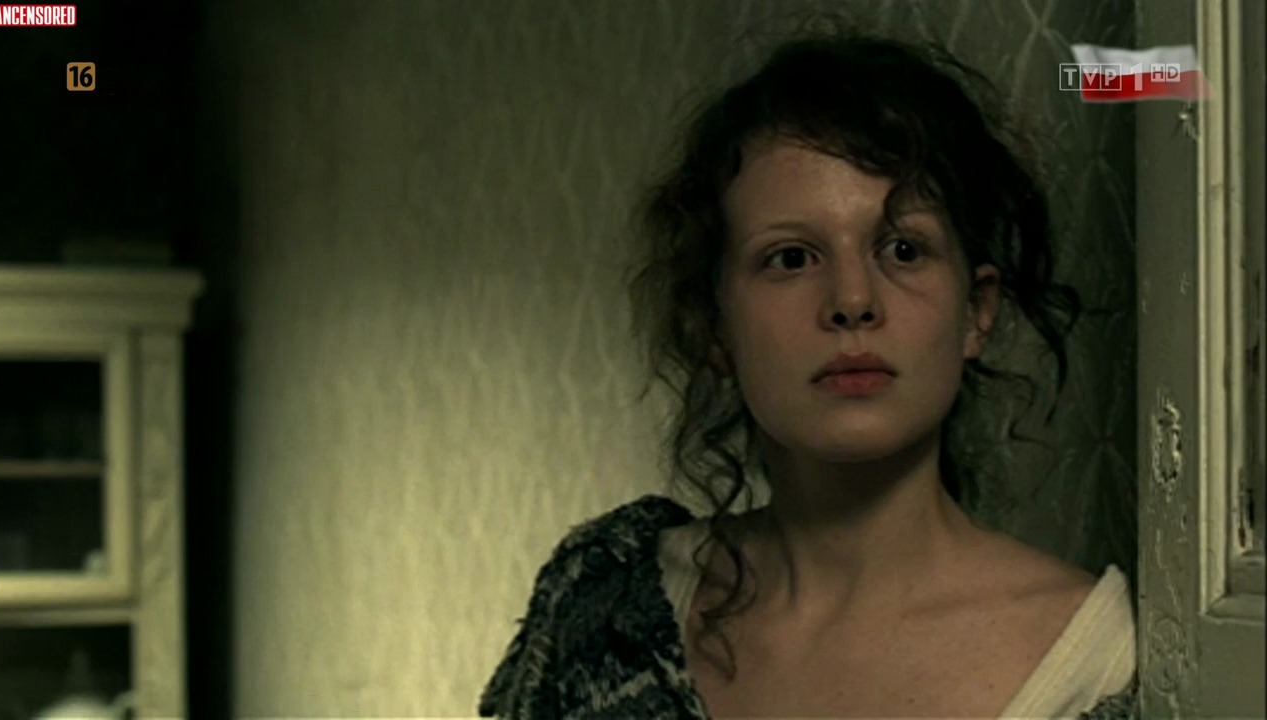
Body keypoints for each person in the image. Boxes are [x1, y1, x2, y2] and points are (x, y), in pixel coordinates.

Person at [479, 19, 1137, 720]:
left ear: (976, 312)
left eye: (903, 250)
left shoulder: (1098, 659)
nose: (852, 300)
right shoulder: (602, 605)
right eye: (791, 258)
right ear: (714, 327)